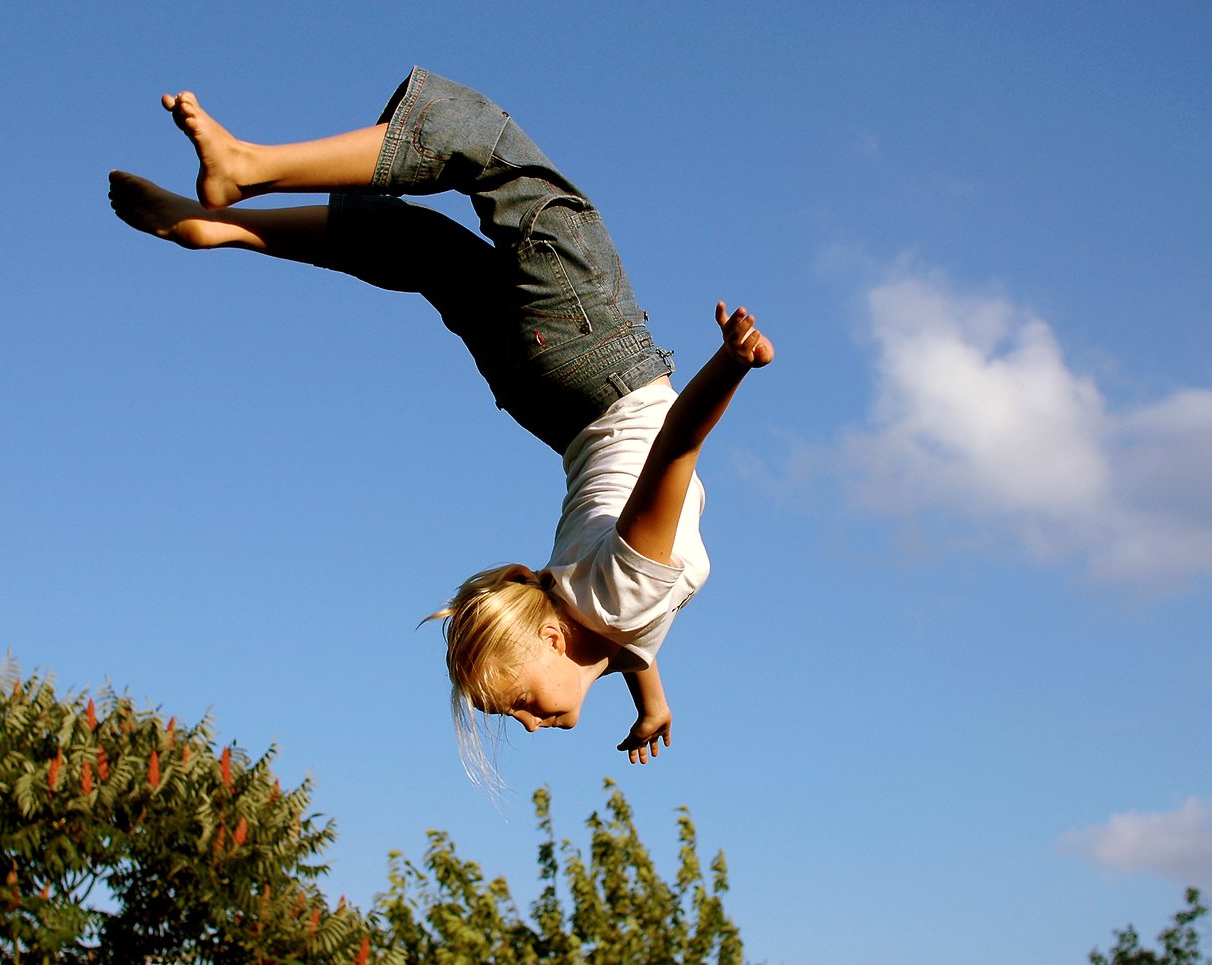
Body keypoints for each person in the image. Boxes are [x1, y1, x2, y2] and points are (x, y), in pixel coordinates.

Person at [109, 67, 773, 782]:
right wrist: (652, 703)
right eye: (518, 708)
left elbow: (677, 446)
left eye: (516, 705)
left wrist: (732, 363)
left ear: (553, 635)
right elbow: (636, 640)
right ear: (555, 637)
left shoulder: (612, 599)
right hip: (541, 395)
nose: (527, 719)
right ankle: (225, 226)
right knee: (422, 252)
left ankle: (250, 170)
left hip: (595, 366)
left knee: (499, 162)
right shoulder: (599, 612)